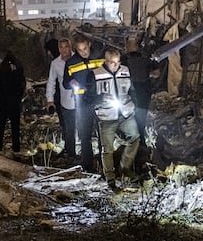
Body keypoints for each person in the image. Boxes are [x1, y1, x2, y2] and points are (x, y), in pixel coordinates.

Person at [91, 48, 140, 192]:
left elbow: (132, 89)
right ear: (106, 61)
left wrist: (134, 104)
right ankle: (110, 179)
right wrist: (100, 98)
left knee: (135, 137)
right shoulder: (95, 74)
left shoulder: (125, 70)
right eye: (113, 63)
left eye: (118, 62)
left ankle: (125, 167)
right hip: (107, 117)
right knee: (107, 149)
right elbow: (87, 98)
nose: (116, 65)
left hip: (125, 113)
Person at [62, 33, 104, 172]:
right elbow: (65, 82)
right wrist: (70, 82)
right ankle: (88, 166)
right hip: (82, 103)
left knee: (103, 134)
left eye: (85, 48)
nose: (83, 52)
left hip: (99, 100)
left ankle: (105, 163)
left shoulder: (99, 57)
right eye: (80, 50)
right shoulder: (71, 63)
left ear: (89, 45)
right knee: (85, 136)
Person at [46, 38, 76, 158]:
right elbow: (51, 82)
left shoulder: (77, 59)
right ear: (59, 49)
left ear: (70, 47)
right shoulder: (55, 64)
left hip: (80, 100)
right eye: (61, 47)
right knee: (68, 127)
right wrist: (50, 100)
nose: (64, 50)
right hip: (65, 100)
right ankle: (71, 152)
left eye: (66, 47)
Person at [0, 51, 26, 154]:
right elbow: (22, 87)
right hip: (14, 103)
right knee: (15, 128)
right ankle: (16, 150)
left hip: (2, 104)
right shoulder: (17, 75)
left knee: (0, 127)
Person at [121, 38, 153, 145]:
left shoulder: (124, 59)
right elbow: (156, 72)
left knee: (132, 119)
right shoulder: (145, 58)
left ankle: (136, 141)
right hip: (143, 93)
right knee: (141, 119)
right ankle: (141, 141)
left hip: (133, 94)